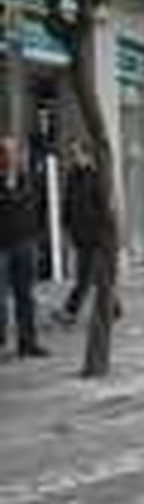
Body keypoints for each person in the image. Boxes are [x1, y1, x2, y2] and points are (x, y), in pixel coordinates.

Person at [54, 140, 113, 328]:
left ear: (86, 155)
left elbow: (103, 207)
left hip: (94, 235)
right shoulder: (72, 176)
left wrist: (104, 233)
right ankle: (114, 307)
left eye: (76, 153)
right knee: (98, 276)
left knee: (84, 278)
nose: (73, 158)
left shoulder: (95, 176)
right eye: (71, 154)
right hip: (80, 236)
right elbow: (67, 203)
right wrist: (65, 226)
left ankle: (70, 311)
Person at [0, 136, 48, 359]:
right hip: (2, 246)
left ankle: (28, 342)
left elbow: (34, 205)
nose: (10, 157)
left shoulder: (26, 179)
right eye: (5, 152)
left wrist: (37, 238)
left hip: (24, 243)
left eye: (13, 152)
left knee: (26, 296)